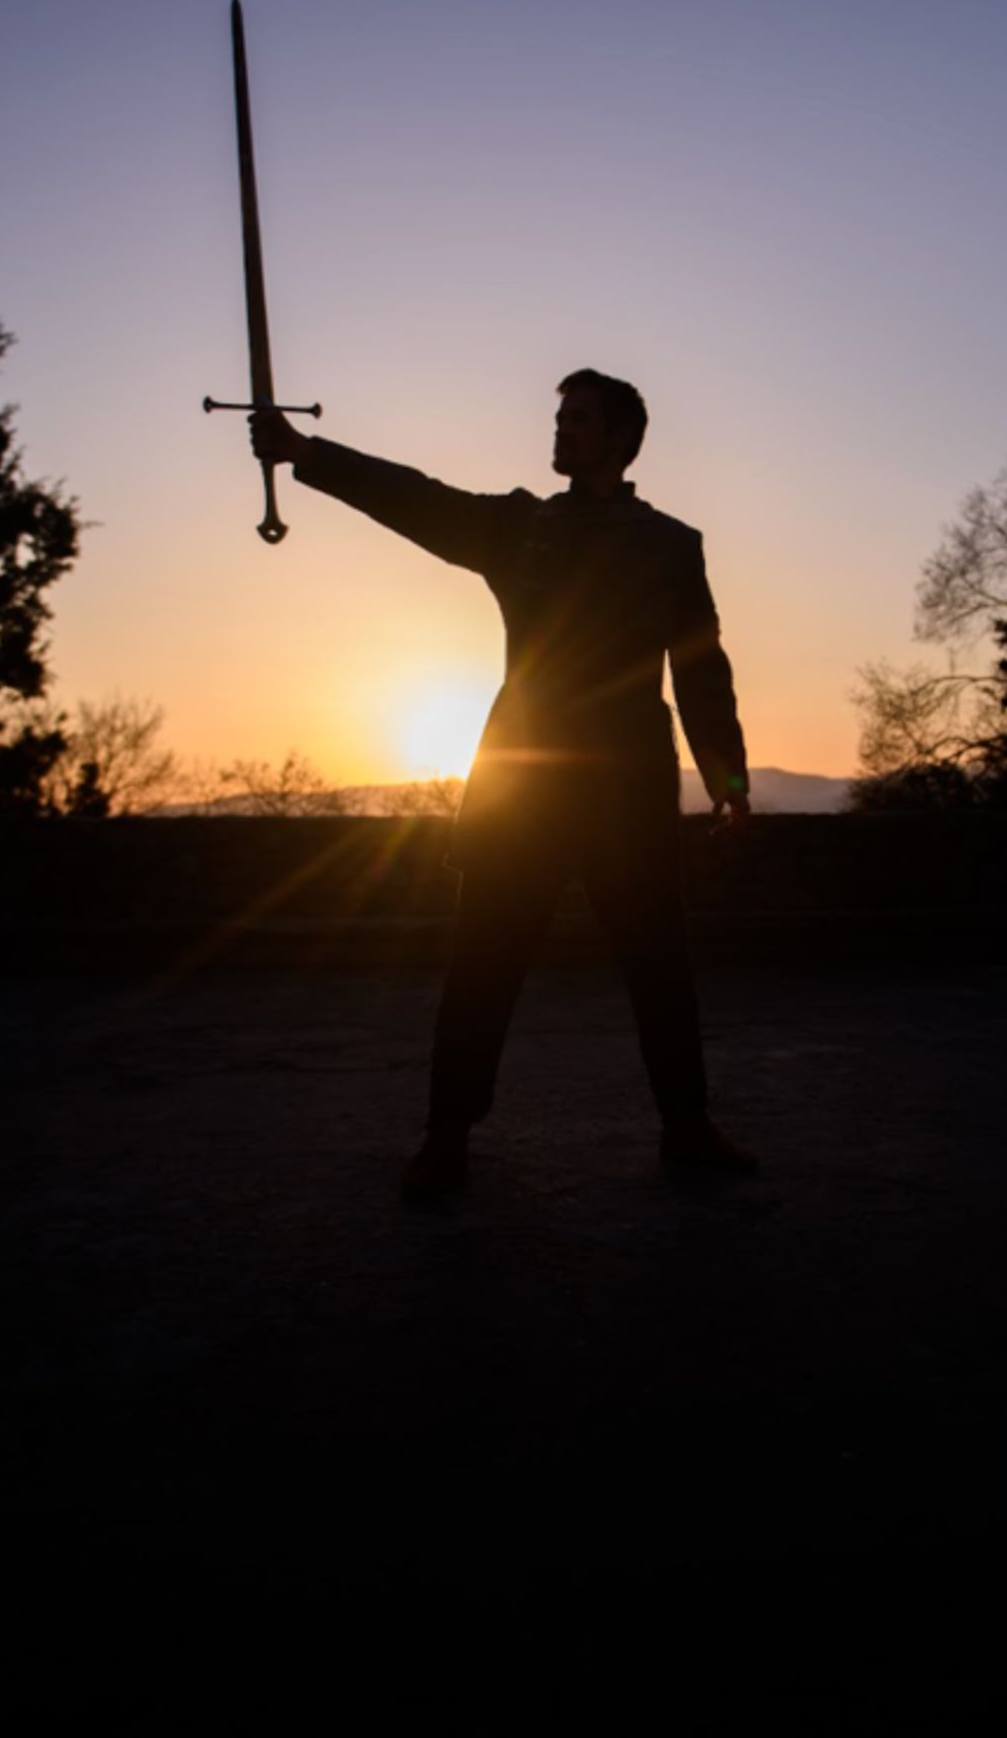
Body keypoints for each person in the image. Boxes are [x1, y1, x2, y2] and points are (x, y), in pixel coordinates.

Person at [250, 369, 757, 1199]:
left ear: (623, 440)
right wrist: (308, 454)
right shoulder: (519, 528)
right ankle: (446, 1138)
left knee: (661, 966)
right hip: (521, 785)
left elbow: (702, 671)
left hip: (626, 788)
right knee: (481, 964)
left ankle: (688, 1127)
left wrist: (730, 781)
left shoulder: (671, 544)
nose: (560, 430)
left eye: (578, 420)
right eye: (558, 417)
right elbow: (415, 498)